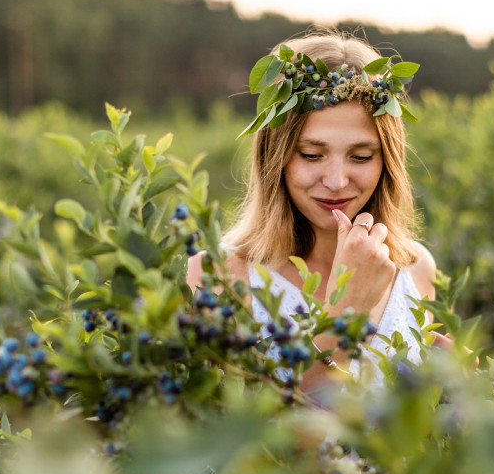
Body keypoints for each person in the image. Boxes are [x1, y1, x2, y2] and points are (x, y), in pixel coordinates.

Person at [186, 30, 450, 396]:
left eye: (361, 157)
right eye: (311, 155)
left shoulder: (416, 269)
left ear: (387, 162)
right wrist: (343, 319)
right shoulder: (219, 276)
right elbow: (257, 440)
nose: (337, 180)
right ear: (275, 158)